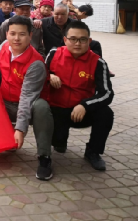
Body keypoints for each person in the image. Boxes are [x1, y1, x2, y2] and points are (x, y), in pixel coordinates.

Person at [0, 16, 54, 181]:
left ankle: (44, 158)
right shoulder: (4, 48)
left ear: (30, 36)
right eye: (12, 33)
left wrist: (20, 130)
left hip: (28, 106)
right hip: (5, 102)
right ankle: (0, 142)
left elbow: (27, 98)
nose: (16, 38)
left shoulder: (35, 63)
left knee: (42, 108)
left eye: (22, 34)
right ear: (7, 34)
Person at [46, 22, 114, 171]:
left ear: (89, 41)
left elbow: (107, 93)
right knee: (58, 142)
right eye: (73, 39)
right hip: (57, 109)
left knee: (106, 113)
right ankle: (58, 142)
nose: (77, 43)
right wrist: (49, 76)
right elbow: (40, 75)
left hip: (81, 112)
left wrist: (85, 105)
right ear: (65, 40)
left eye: (82, 39)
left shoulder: (98, 62)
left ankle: (93, 151)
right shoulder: (53, 54)